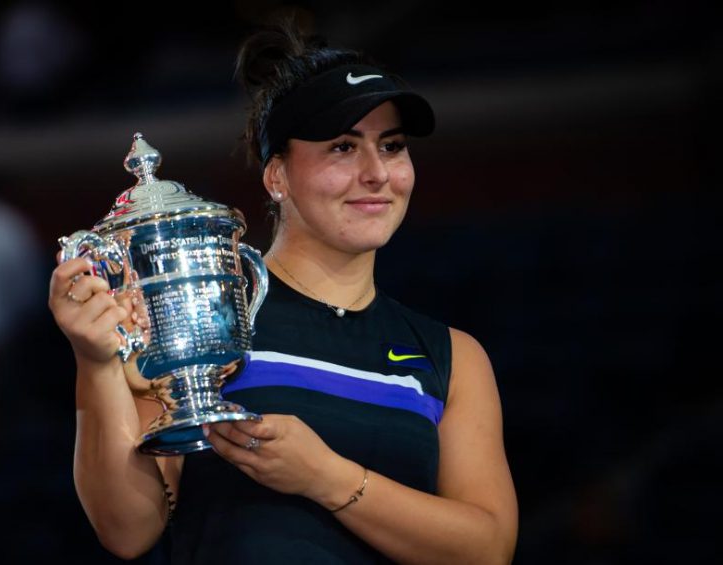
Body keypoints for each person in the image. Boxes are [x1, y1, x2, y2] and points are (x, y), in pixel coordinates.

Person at [49, 19, 518, 564]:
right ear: (277, 176)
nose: (376, 173)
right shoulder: (200, 318)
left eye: (391, 147)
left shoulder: (451, 357)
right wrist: (96, 363)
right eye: (343, 148)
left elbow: (487, 549)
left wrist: (326, 477)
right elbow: (128, 530)